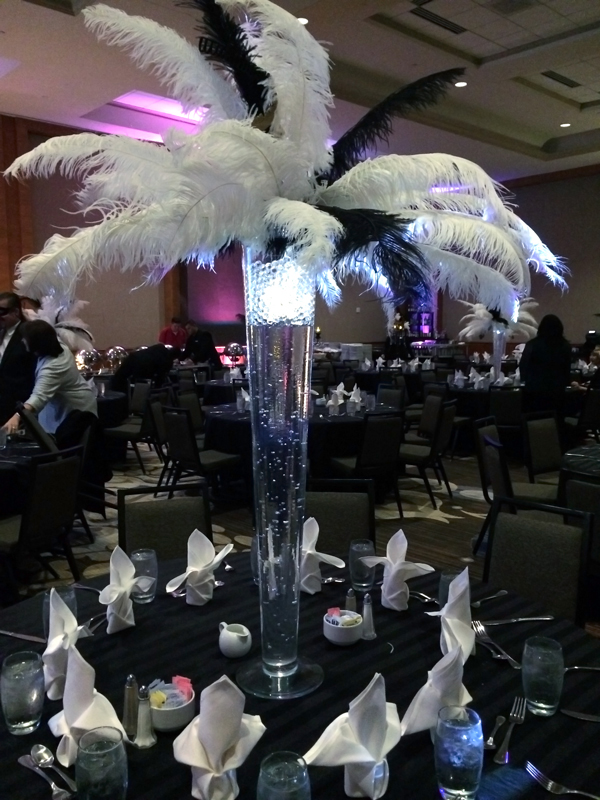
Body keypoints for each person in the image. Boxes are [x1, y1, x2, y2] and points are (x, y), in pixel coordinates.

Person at [1, 320, 97, 435]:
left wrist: (16, 417)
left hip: (75, 412)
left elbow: (38, 397)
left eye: (25, 338)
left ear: (36, 343)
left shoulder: (55, 366)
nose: (22, 341)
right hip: (58, 407)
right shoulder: (54, 344)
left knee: (68, 445)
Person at [520, 314, 572, 415]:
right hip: (557, 392)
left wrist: (526, 380)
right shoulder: (565, 346)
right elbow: (567, 371)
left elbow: (523, 367)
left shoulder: (532, 344)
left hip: (534, 391)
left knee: (533, 422)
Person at [0, 292, 37, 426]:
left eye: (2, 312)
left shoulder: (29, 334)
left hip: (19, 407)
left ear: (16, 311)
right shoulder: (1, 331)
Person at [110, 343, 177, 394]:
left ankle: (114, 392)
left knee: (119, 377)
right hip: (143, 367)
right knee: (139, 386)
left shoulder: (160, 347)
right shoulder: (168, 360)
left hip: (134, 357)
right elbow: (160, 377)